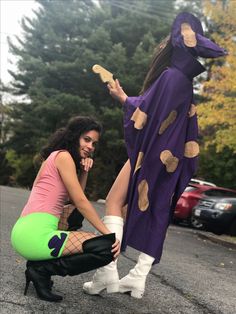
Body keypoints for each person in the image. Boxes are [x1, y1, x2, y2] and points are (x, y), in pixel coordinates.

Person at [83, 12, 227, 298]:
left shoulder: (170, 77)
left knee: (113, 200)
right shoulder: (185, 83)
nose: (160, 47)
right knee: (158, 208)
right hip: (170, 158)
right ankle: (138, 277)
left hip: (149, 152)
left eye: (165, 43)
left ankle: (107, 272)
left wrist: (122, 98)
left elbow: (144, 114)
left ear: (176, 44)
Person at [11, 116, 120, 302]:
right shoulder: (64, 156)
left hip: (27, 230)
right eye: (86, 139)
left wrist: (84, 172)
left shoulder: (58, 157)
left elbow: (72, 200)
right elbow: (80, 201)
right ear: (74, 136)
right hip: (33, 234)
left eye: (94, 143)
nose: (90, 146)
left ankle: (39, 266)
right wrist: (108, 234)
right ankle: (41, 270)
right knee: (106, 248)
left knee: (75, 216)